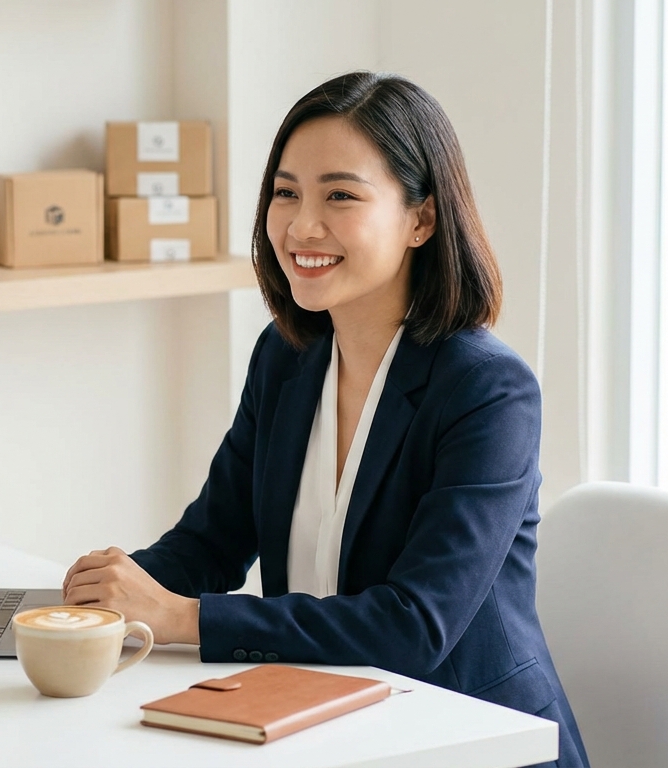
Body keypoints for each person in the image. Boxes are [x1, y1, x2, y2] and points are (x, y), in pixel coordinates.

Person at [62, 71, 588, 768]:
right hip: (323, 725)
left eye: (340, 195)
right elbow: (210, 544)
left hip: (468, 738)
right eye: (286, 193)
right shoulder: (288, 357)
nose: (301, 226)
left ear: (421, 219)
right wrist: (92, 607)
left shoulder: (488, 391)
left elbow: (412, 626)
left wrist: (180, 618)